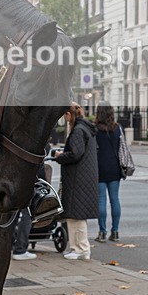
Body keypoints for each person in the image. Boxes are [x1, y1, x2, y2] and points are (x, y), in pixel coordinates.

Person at [53, 102, 98, 260]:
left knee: (75, 216)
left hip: (77, 179)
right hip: (83, 178)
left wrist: (59, 157)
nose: (64, 120)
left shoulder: (78, 130)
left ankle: (80, 249)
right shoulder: (85, 128)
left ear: (68, 114)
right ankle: (78, 248)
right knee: (76, 216)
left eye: (64, 116)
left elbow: (75, 154)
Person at [94, 102, 123, 243]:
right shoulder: (117, 128)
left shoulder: (94, 130)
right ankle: (115, 231)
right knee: (114, 200)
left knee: (101, 200)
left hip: (99, 168)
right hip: (115, 168)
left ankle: (102, 232)